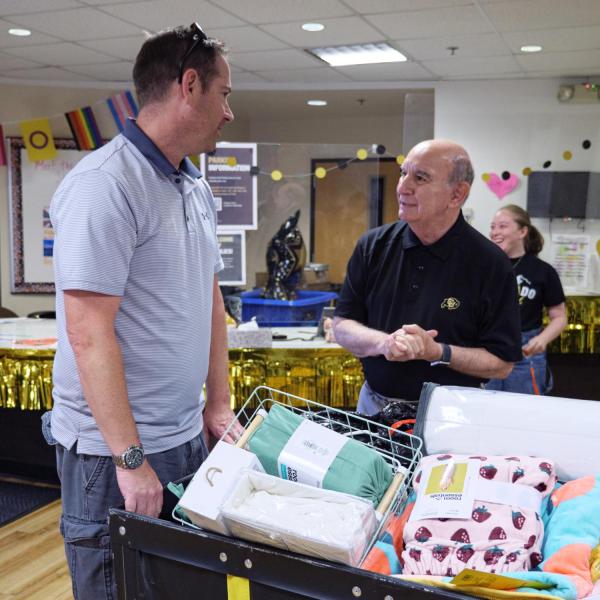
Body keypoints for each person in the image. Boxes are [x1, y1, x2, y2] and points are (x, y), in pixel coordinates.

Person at [43, 23, 243, 600]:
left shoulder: (193, 184)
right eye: (224, 93)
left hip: (183, 436)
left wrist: (219, 401)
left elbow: (208, 295)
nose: (229, 111)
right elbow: (87, 333)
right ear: (189, 85)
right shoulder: (104, 186)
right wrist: (130, 459)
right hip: (115, 456)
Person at [333, 139, 523, 414]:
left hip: (452, 416)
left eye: (420, 177)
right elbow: (342, 325)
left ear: (457, 194)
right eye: (403, 173)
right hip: (372, 408)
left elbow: (502, 364)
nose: (403, 187)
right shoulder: (372, 247)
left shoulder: (490, 264)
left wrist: (437, 352)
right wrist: (384, 343)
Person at [486, 204, 567, 394]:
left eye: (502, 226)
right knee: (486, 411)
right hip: (488, 349)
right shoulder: (485, 267)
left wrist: (542, 339)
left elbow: (560, 317)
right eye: (493, 226)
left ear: (523, 231)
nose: (495, 232)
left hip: (526, 351)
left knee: (523, 413)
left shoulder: (543, 271)